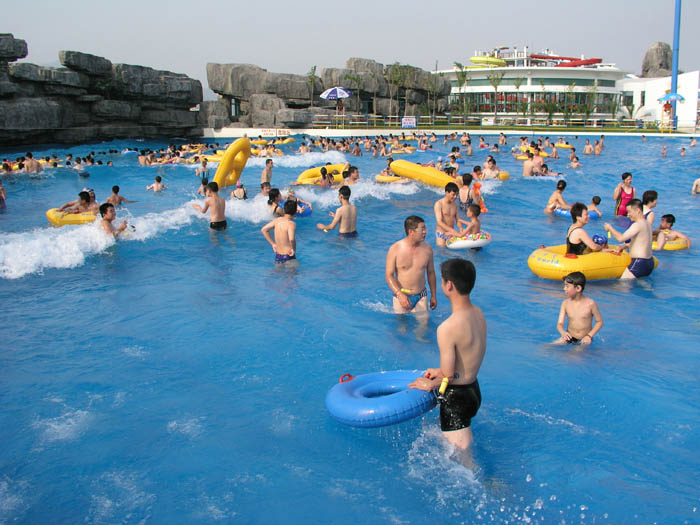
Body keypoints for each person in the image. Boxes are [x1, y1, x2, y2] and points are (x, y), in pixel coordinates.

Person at [409, 258, 485, 450]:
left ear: (449, 285)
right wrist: (439, 371)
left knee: (463, 459)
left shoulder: (447, 328)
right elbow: (469, 355)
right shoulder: (478, 314)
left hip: (456, 398)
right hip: (474, 390)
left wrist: (431, 384)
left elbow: (448, 377)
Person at [385, 215, 437, 314]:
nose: (425, 232)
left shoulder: (428, 249)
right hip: (401, 294)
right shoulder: (395, 249)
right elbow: (389, 275)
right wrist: (399, 294)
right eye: (422, 229)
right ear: (411, 232)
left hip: (421, 295)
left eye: (425, 228)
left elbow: (431, 273)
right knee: (402, 323)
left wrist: (434, 296)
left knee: (423, 322)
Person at [604, 199, 654, 279]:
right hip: (649, 262)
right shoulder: (647, 223)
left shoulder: (637, 225)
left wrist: (610, 228)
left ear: (638, 211)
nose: (628, 215)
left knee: (622, 284)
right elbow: (642, 242)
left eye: (629, 212)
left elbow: (621, 238)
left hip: (639, 263)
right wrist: (625, 246)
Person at [552, 271, 603, 346]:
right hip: (569, 336)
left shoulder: (590, 304)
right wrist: (563, 333)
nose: (564, 288)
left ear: (578, 288)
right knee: (549, 347)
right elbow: (559, 324)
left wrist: (589, 336)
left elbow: (599, 322)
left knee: (576, 352)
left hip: (584, 339)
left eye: (567, 286)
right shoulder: (565, 303)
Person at [434, 182, 462, 247]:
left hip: (451, 234)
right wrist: (452, 230)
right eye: (453, 194)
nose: (455, 197)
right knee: (442, 249)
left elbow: (458, 220)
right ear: (447, 193)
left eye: (457, 195)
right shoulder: (439, 204)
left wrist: (460, 229)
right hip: (442, 234)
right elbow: (439, 222)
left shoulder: (455, 204)